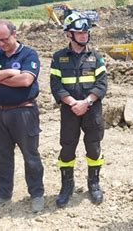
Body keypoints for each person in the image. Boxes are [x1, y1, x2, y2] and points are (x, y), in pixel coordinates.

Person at [0, 20, 45, 213]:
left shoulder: (28, 54)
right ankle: (3, 193)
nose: (1, 44)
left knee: (30, 155)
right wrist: (7, 73)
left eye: (4, 39)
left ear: (14, 34)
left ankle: (37, 194)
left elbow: (25, 80)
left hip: (23, 111)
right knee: (2, 155)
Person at [50, 11, 107, 208]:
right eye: (79, 33)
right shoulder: (58, 58)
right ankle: (67, 186)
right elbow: (56, 85)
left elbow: (102, 84)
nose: (84, 36)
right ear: (69, 34)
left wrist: (86, 102)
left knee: (94, 147)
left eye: (86, 33)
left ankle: (94, 184)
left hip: (91, 111)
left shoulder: (96, 57)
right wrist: (73, 103)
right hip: (69, 112)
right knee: (67, 149)